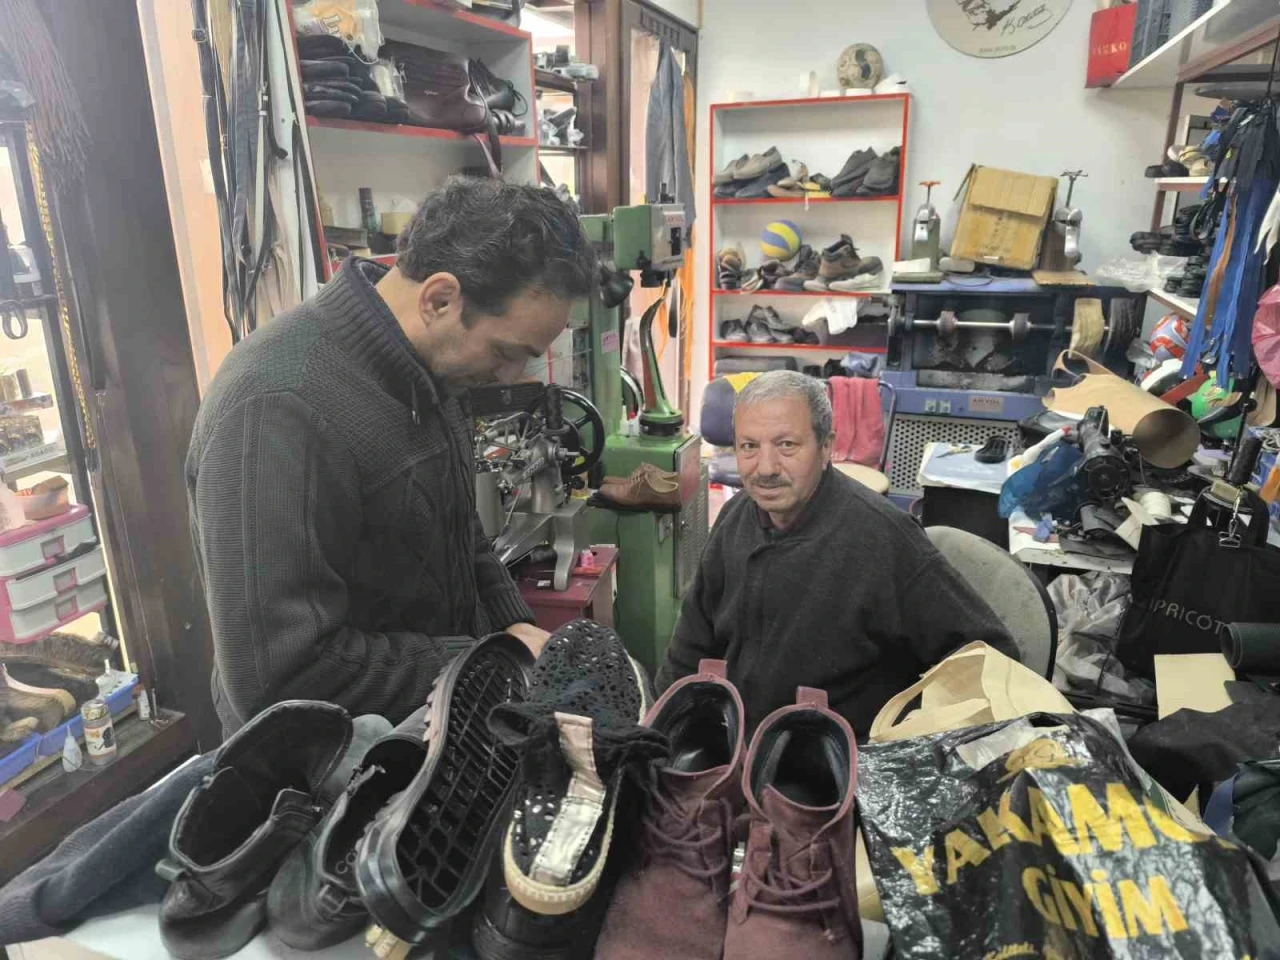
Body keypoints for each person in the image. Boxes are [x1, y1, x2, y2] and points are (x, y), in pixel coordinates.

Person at [186, 178, 598, 736]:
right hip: (326, 765)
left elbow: (461, 532)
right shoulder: (276, 405)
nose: (510, 377)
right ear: (440, 299)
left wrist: (514, 632)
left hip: (430, 729)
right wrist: (483, 660)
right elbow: (277, 674)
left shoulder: (431, 371)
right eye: (506, 352)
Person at [656, 370, 1018, 737]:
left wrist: (903, 738)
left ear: (826, 447)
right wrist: (658, 731)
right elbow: (690, 646)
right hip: (744, 745)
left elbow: (990, 659)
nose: (765, 468)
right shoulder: (735, 518)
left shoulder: (883, 539)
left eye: (787, 445)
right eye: (749, 446)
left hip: (842, 758)